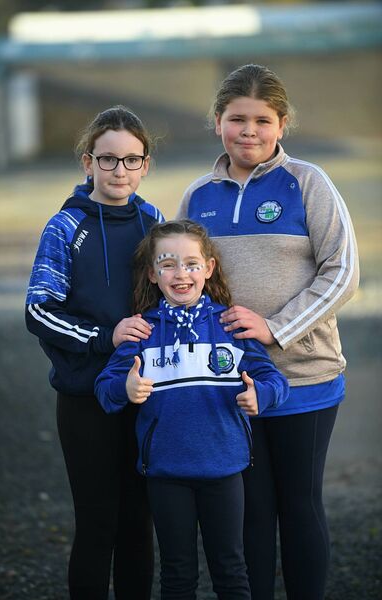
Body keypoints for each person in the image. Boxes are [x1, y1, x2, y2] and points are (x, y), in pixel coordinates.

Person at [176, 64, 360, 600]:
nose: (248, 131)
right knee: (249, 511)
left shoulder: (308, 183)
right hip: (230, 386)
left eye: (262, 120)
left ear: (282, 126)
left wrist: (276, 329)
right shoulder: (198, 196)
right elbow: (183, 278)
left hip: (305, 378)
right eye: (237, 119)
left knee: (298, 505)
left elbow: (343, 273)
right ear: (217, 122)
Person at [95, 219, 289, 600]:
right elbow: (105, 389)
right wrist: (127, 388)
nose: (180, 273)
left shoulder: (230, 325)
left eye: (191, 263)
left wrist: (260, 396)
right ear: (152, 273)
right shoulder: (142, 331)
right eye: (167, 264)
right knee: (178, 574)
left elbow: (275, 381)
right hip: (167, 474)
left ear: (208, 268)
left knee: (231, 570)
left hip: (224, 470)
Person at [25, 105, 165, 600]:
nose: (119, 171)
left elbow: (172, 300)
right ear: (88, 163)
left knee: (137, 525)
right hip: (86, 400)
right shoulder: (64, 227)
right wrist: (106, 337)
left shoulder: (155, 222)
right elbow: (38, 311)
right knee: (97, 524)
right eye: (108, 160)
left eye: (131, 160)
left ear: (145, 165)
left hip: (145, 396)